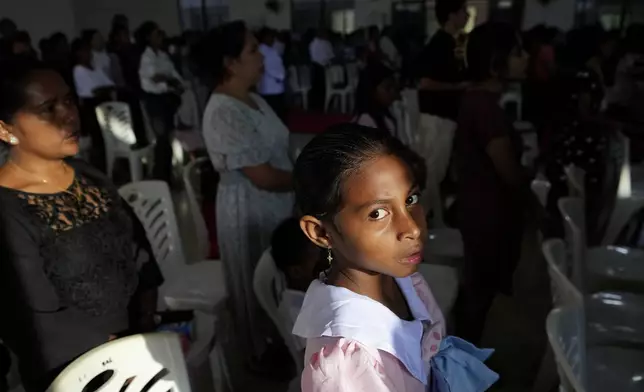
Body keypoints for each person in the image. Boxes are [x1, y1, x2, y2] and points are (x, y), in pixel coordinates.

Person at [292, 124, 497, 391]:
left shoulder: (403, 280)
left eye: (410, 199)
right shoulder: (348, 366)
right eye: (377, 213)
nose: (412, 228)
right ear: (320, 232)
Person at [0, 58, 163, 392]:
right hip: (75, 370)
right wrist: (118, 353)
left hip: (138, 348)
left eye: (69, 101)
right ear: (6, 130)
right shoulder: (8, 209)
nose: (69, 115)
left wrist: (146, 319)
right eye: (48, 108)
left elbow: (138, 249)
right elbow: (35, 317)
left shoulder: (89, 175)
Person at [195, 20, 294, 362]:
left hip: (277, 202)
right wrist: (310, 179)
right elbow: (263, 176)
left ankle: (282, 339)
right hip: (249, 206)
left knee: (278, 275)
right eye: (253, 50)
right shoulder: (223, 111)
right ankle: (259, 353)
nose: (262, 57)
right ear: (230, 63)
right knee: (255, 278)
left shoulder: (253, 99)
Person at [454, 23, 529, 344]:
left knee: (477, 295)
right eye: (517, 52)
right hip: (487, 215)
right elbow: (507, 170)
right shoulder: (485, 108)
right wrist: (534, 202)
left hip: (479, 210)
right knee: (478, 298)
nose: (525, 58)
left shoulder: (479, 101)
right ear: (496, 61)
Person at [138, 21, 184, 182]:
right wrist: (168, 79)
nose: (160, 37)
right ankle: (159, 176)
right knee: (162, 138)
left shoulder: (163, 55)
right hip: (154, 100)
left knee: (168, 138)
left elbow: (173, 74)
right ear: (148, 37)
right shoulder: (146, 57)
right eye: (156, 34)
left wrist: (174, 82)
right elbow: (155, 78)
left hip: (166, 99)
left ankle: (167, 175)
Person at [271, 218, 323, 354]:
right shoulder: (294, 312)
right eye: (315, 258)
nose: (322, 261)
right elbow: (311, 357)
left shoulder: (310, 292)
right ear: (296, 272)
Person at [417, 0, 469, 121]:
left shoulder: (450, 42)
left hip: (447, 115)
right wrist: (458, 86)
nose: (467, 15)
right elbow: (425, 83)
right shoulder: (439, 44)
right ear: (451, 16)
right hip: (439, 117)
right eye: (463, 11)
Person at [354, 62, 399, 134]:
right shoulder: (366, 121)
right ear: (372, 91)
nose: (393, 92)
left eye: (394, 88)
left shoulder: (386, 113)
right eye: (388, 88)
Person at [257, 27, 287, 121]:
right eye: (271, 37)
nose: (273, 40)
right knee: (276, 114)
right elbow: (273, 69)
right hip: (274, 88)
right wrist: (282, 76)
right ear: (265, 37)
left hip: (265, 87)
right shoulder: (268, 52)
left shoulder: (262, 50)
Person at [308, 29, 334, 111]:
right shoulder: (315, 44)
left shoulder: (320, 43)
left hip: (321, 67)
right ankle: (318, 106)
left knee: (320, 88)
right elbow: (330, 56)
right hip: (320, 67)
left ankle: (319, 106)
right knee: (320, 87)